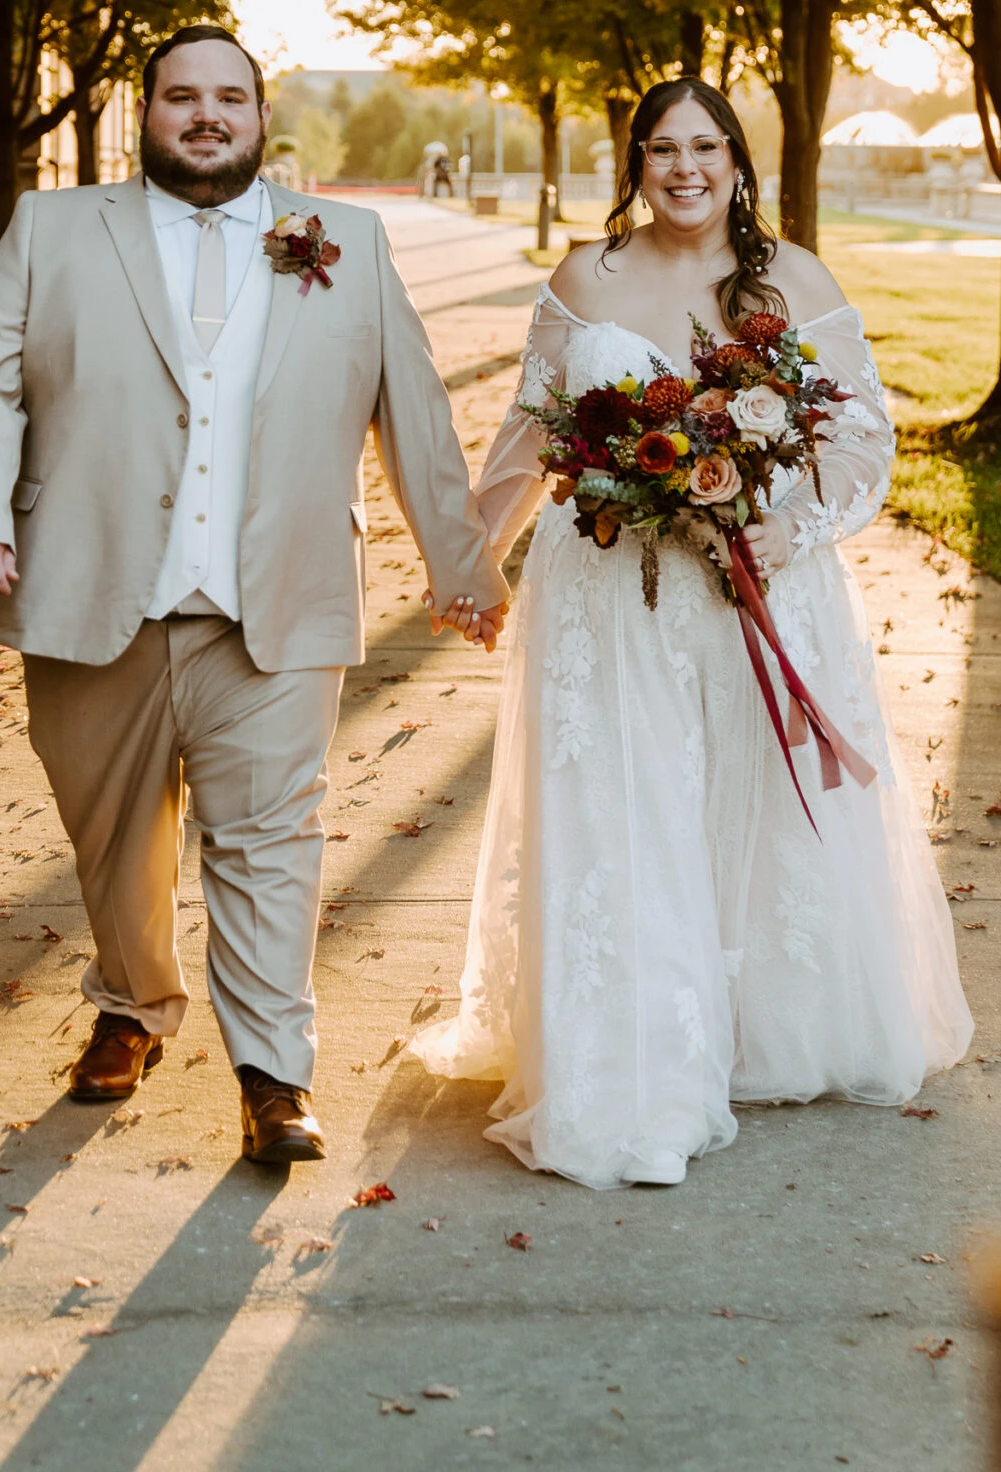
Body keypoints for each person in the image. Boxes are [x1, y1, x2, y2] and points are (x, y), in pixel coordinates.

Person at [0, 25, 508, 1162]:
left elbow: (414, 406)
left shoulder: (340, 237)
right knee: (115, 844)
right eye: (181, 97)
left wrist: (459, 563)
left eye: (229, 98)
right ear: (142, 113)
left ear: (260, 114)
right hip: (92, 586)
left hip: (279, 602)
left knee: (269, 841)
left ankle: (273, 1075)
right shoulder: (54, 230)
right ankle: (134, 1001)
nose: (206, 115)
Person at [413, 78, 972, 1189]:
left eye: (705, 146)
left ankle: (763, 1022)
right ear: (635, 160)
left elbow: (862, 441)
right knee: (625, 797)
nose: (684, 167)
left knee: (745, 789)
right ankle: (631, 1046)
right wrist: (467, 561)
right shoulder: (587, 276)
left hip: (755, 578)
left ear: (736, 161)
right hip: (610, 590)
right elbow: (531, 437)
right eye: (663, 147)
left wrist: (773, 530)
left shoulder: (791, 279)